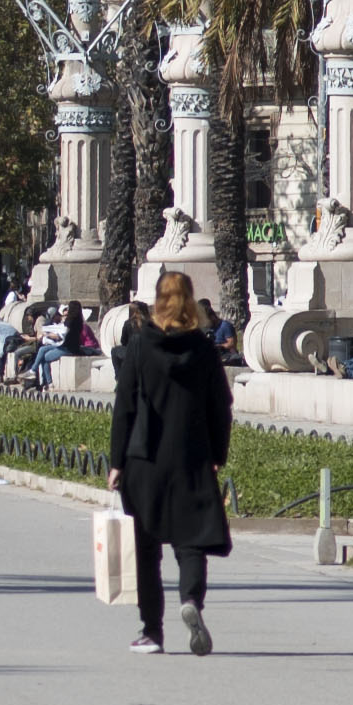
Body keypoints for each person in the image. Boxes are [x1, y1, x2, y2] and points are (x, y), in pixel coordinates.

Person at [108, 265, 235, 656]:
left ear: (159, 301)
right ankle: (191, 601)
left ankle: (152, 631)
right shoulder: (202, 348)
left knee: (147, 548)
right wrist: (216, 453)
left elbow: (125, 405)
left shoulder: (141, 345)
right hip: (191, 456)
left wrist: (116, 462)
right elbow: (221, 406)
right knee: (191, 540)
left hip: (144, 459)